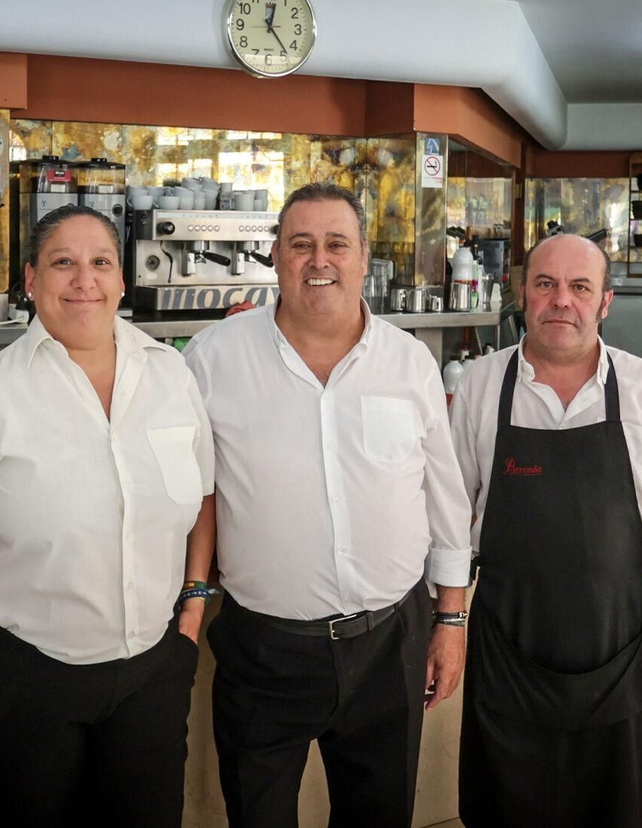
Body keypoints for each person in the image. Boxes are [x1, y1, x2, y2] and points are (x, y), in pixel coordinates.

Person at [0, 204, 215, 828]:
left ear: (122, 280)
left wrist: (191, 606)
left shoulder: (172, 375)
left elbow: (204, 497)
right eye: (63, 263)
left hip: (151, 675)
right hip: (26, 681)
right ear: (30, 280)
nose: (85, 280)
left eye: (100, 262)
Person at [184, 182, 473, 828]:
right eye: (301, 244)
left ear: (364, 257)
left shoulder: (410, 363)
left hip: (389, 643)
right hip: (263, 650)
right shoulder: (214, 359)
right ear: (276, 257)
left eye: (336, 244)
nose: (320, 260)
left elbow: (445, 497)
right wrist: (194, 592)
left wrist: (450, 621)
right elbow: (193, 492)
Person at [449, 232, 642, 827]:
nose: (560, 301)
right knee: (503, 805)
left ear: (605, 302)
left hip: (614, 643)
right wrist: (448, 620)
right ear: (523, 294)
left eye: (579, 287)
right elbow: (455, 518)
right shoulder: (482, 385)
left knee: (608, 807)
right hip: (506, 641)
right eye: (546, 285)